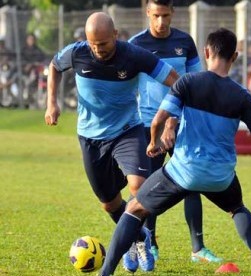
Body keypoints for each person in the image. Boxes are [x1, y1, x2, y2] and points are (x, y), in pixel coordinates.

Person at [98, 27, 251, 276]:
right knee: (238, 209)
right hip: (221, 176)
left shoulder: (188, 82)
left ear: (206, 52)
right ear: (234, 57)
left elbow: (159, 119)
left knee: (134, 209)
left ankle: (106, 272)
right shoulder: (243, 97)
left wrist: (153, 142)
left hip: (184, 171)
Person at [44, 12, 179, 272]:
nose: (98, 50)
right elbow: (54, 65)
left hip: (126, 131)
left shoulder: (134, 56)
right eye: (93, 44)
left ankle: (133, 239)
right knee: (109, 203)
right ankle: (137, 237)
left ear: (115, 36)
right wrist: (52, 102)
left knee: (138, 187)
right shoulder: (77, 53)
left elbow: (174, 79)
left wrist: (174, 115)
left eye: (104, 44)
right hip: (90, 137)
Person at [127, 0, 221, 269]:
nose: (161, 22)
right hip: (146, 126)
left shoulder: (185, 42)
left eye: (165, 15)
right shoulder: (135, 44)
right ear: (147, 13)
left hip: (181, 125)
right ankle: (150, 244)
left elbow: (195, 85)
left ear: (173, 13)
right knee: (148, 187)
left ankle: (198, 248)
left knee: (191, 183)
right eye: (156, 15)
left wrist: (174, 120)